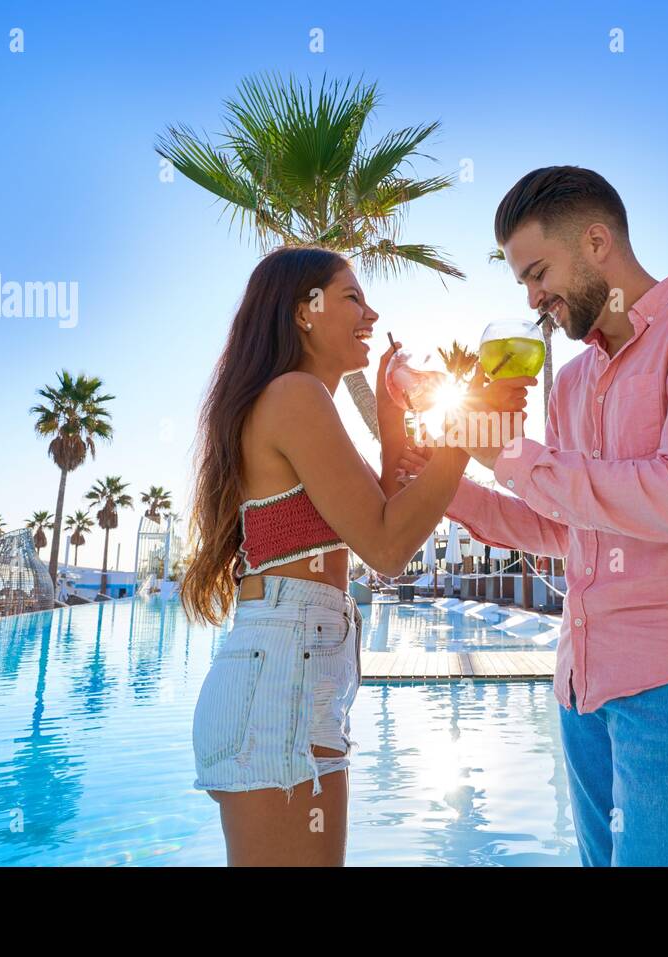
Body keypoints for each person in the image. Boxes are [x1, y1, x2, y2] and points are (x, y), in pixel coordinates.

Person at [409, 166, 668, 866]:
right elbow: (564, 525)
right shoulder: (572, 381)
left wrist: (511, 454)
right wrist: (443, 484)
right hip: (582, 686)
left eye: (538, 272)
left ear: (598, 243)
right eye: (521, 282)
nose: (532, 297)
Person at [182, 245, 529, 866]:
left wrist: (393, 417)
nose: (371, 313)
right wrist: (465, 428)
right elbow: (388, 547)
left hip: (290, 672)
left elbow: (391, 518)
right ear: (304, 313)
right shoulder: (294, 395)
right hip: (282, 679)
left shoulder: (295, 400)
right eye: (353, 298)